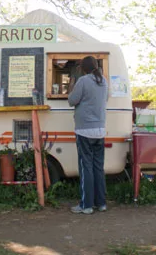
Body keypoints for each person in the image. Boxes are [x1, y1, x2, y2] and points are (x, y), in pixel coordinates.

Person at [67, 56, 109, 214]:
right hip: (100, 129)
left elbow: (71, 100)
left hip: (84, 130)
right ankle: (101, 203)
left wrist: (71, 83)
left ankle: (86, 205)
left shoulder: (83, 81)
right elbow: (105, 99)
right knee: (98, 167)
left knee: (86, 168)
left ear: (83, 68)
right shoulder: (103, 81)